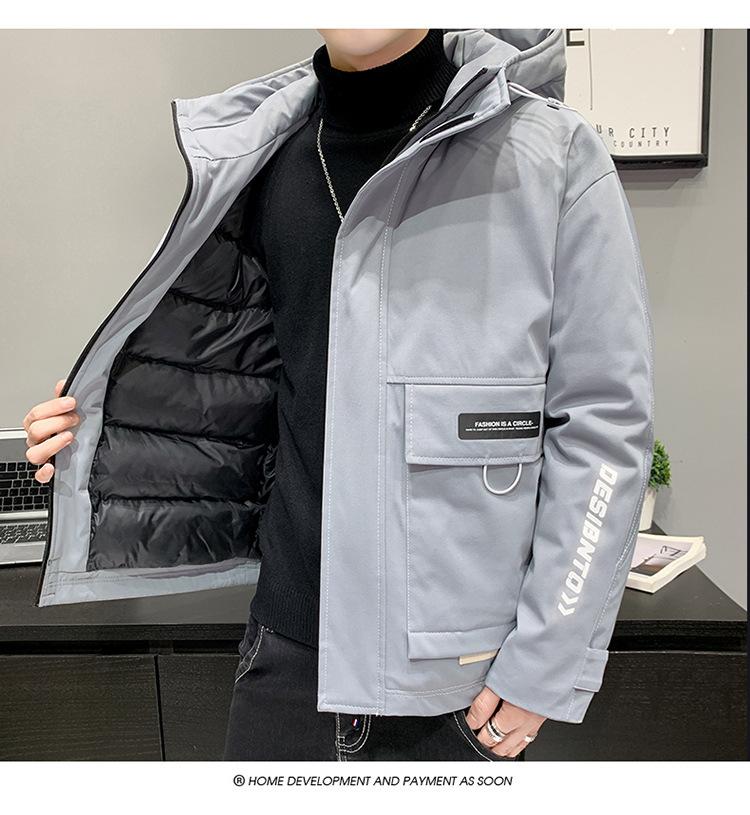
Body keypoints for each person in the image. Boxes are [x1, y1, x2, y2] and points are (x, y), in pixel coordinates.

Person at [22, 29, 654, 761]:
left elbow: (604, 425)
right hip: (283, 659)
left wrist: (547, 660)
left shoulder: (552, 155)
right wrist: (104, 429)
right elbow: (247, 389)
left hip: (459, 685)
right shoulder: (264, 157)